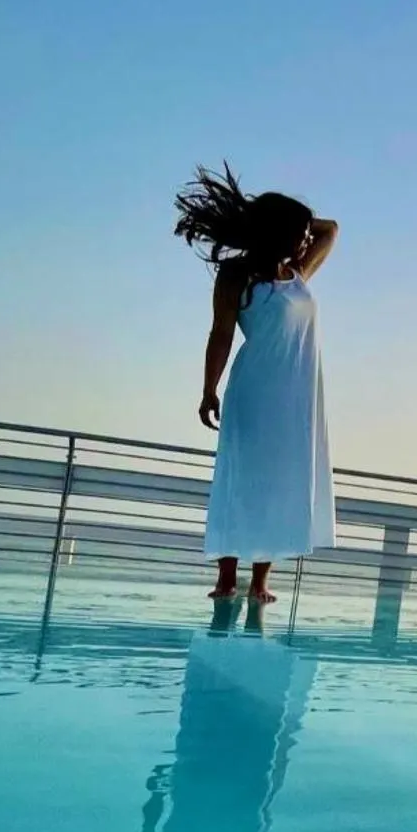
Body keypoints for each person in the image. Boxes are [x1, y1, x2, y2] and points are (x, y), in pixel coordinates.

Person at [173, 164, 339, 602]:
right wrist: (208, 389)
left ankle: (261, 580)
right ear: (279, 234)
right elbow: (220, 334)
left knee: (281, 481)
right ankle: (227, 577)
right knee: (242, 478)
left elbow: (331, 229)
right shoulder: (236, 276)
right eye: (299, 233)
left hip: (296, 394)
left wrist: (287, 219)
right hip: (255, 390)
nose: (307, 238)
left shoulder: (299, 272)